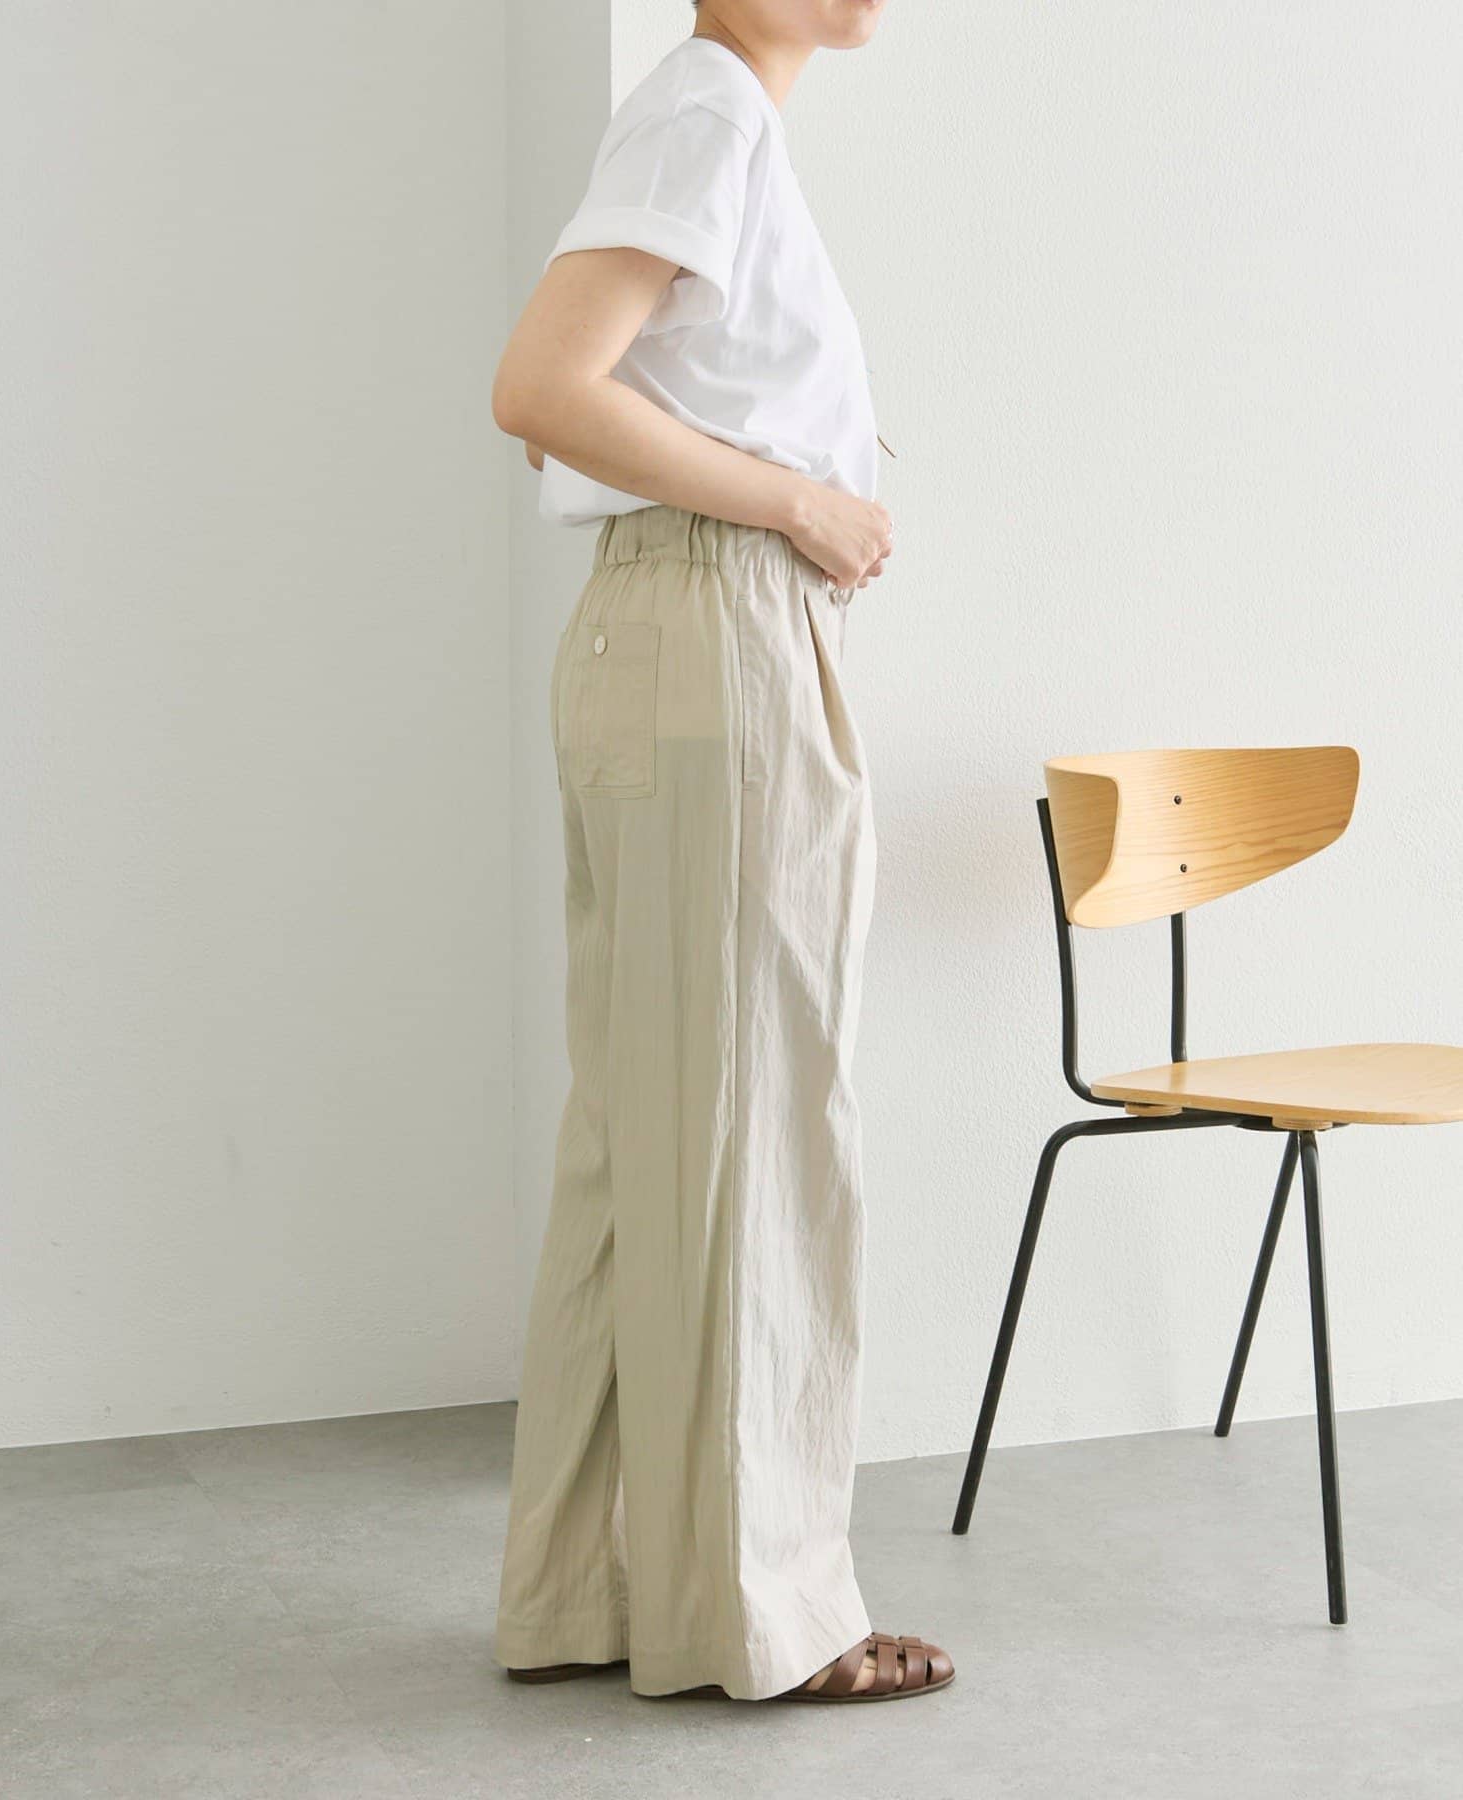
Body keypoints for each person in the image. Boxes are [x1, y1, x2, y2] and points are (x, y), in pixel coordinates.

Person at [489, 0, 953, 1705]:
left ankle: (594, 1588)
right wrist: (800, 501)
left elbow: (577, 400)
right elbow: (541, 392)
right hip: (718, 634)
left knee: (649, 1136)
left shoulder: (713, 117)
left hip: (666, 631)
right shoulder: (709, 111)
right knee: (757, 1126)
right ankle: (766, 1612)